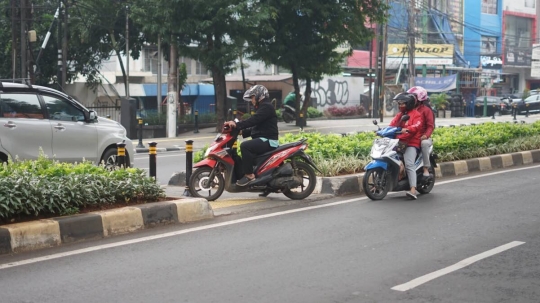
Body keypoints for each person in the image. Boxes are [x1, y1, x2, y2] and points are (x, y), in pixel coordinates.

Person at [223, 85, 279, 186]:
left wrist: (238, 124)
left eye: (253, 97)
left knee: (245, 146)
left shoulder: (266, 107)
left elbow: (254, 120)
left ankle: (249, 175)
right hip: (263, 138)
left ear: (259, 96)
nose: (252, 100)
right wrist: (242, 132)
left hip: (268, 140)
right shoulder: (263, 107)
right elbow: (258, 127)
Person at [389, 92, 424, 200]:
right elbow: (392, 125)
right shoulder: (399, 115)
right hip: (399, 142)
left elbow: (417, 126)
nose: (400, 106)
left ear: (408, 104)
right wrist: (383, 130)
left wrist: (408, 129)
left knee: (409, 164)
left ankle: (413, 189)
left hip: (411, 143)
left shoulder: (416, 114)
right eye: (399, 104)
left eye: (402, 103)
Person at [407, 86, 435, 180]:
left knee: (424, 144)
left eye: (413, 97)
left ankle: (426, 168)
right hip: (410, 136)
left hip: (423, 137)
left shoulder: (427, 110)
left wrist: (425, 135)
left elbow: (431, 126)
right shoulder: (408, 110)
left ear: (419, 99)